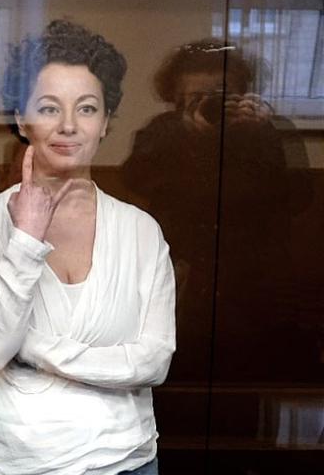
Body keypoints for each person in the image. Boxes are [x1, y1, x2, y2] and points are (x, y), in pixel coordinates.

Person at [0, 20, 175, 475]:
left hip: (127, 468)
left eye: (87, 108)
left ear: (106, 121)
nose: (69, 125)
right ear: (21, 118)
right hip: (16, 472)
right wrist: (26, 238)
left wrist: (32, 349)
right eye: (49, 108)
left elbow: (154, 362)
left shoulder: (141, 231)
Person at [122, 39, 312, 381]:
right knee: (178, 374)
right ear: (177, 97)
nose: (210, 105)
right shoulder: (164, 130)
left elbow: (300, 196)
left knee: (252, 376)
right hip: (182, 275)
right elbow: (135, 179)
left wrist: (262, 134)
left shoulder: (266, 130)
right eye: (197, 97)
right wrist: (187, 136)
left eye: (221, 96)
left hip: (255, 278)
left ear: (241, 94)